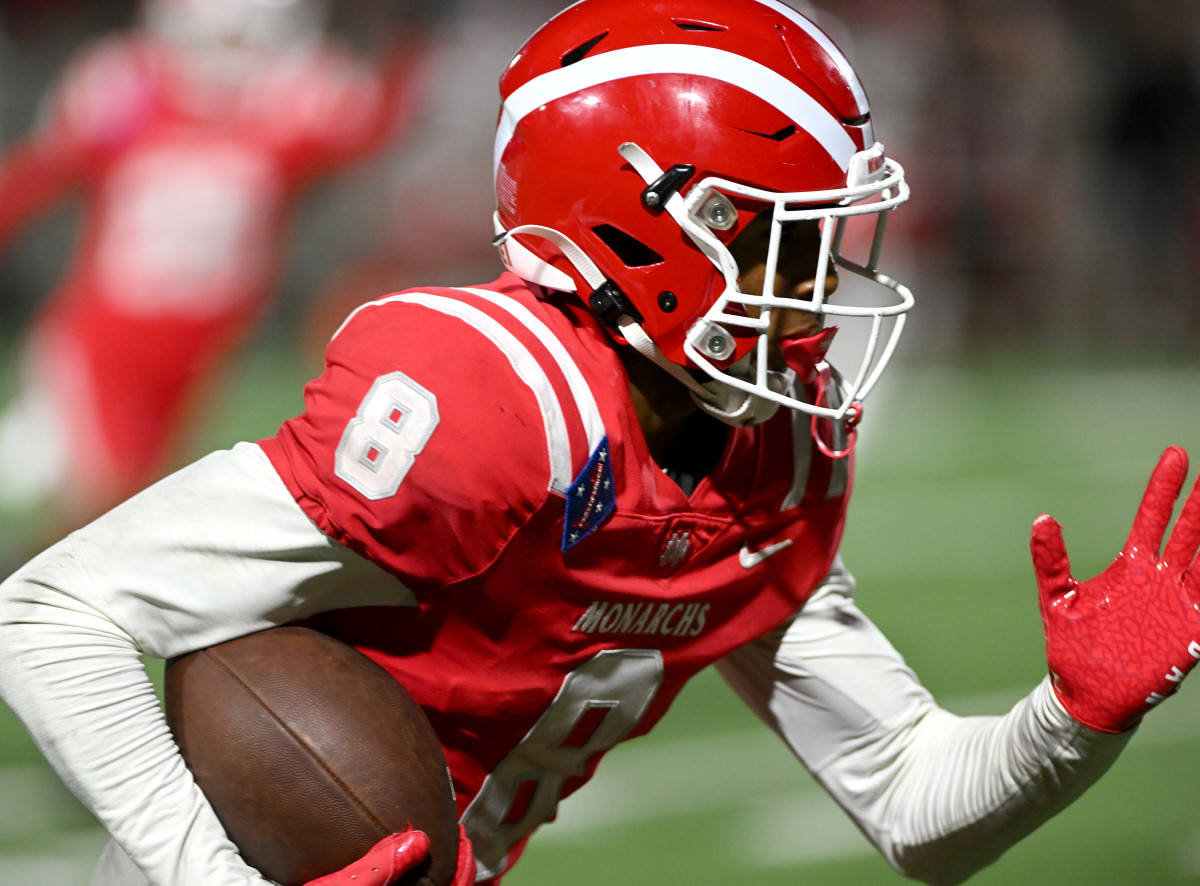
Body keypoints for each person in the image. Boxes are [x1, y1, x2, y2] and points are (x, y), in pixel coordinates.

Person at [1, 1, 1199, 885]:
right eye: (786, 244)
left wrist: (1073, 720)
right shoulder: (486, 401)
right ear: (642, 232)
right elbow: (50, 615)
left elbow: (915, 803)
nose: (819, 293)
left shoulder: (767, 452)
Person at [0, 0, 428, 534]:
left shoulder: (288, 102)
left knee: (144, 494)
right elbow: (39, 175)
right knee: (113, 500)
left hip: (202, 348)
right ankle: (35, 602)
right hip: (110, 342)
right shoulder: (129, 90)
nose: (237, 58)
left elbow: (371, 127)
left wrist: (409, 38)